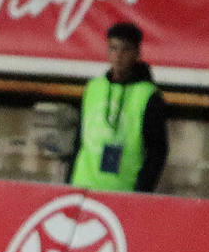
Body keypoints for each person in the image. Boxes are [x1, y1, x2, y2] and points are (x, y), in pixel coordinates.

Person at [69, 21, 168, 193]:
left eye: (125, 50)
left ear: (137, 54)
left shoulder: (148, 95)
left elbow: (157, 152)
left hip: (124, 191)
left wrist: (142, 191)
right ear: (107, 52)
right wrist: (69, 181)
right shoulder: (94, 87)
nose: (118, 56)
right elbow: (79, 140)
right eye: (113, 49)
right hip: (82, 185)